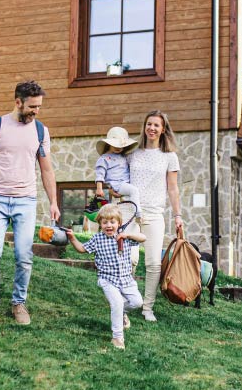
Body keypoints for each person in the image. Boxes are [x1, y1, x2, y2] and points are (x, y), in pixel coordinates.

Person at [0, 80, 60, 327]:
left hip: (26, 201)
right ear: (17, 102)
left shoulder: (41, 131)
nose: (36, 111)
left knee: (23, 255)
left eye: (39, 106)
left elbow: (47, 170)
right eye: (32, 106)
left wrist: (54, 201)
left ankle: (19, 302)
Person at [127, 110, 183, 322]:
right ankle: (129, 300)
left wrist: (178, 215)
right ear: (144, 127)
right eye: (148, 124)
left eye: (156, 125)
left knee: (153, 264)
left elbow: (173, 189)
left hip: (154, 214)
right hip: (131, 213)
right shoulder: (132, 152)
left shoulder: (169, 157)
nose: (151, 128)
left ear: (163, 130)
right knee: (129, 259)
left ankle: (147, 307)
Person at [65, 204, 146, 350]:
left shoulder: (125, 237)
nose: (109, 225)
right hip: (108, 280)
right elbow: (82, 249)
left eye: (112, 222)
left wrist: (127, 235)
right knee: (117, 303)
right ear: (100, 224)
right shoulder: (97, 239)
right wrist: (72, 238)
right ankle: (117, 337)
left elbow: (143, 238)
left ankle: (121, 314)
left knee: (137, 302)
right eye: (105, 222)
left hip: (127, 280)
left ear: (119, 223)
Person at [94, 126, 141, 218]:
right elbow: (100, 174)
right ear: (109, 144)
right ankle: (138, 212)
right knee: (134, 190)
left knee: (131, 193)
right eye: (115, 145)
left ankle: (133, 210)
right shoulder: (104, 158)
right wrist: (99, 188)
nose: (118, 148)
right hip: (117, 184)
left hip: (124, 184)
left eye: (121, 146)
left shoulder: (123, 157)